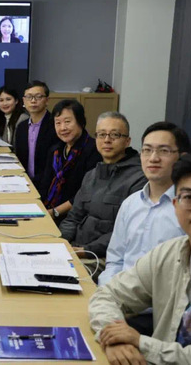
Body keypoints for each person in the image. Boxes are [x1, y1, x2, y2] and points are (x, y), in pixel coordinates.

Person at [89, 153, 191, 365]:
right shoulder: (167, 254)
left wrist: (142, 344)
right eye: (189, 197)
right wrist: (116, 339)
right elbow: (107, 295)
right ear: (176, 205)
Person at [96, 122, 190, 338]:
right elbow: (115, 260)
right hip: (118, 304)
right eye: (147, 150)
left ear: (182, 158)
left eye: (163, 151)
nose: (153, 158)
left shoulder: (190, 210)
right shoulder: (131, 203)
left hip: (159, 316)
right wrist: (110, 298)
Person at [59, 112, 146, 271]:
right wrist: (61, 242)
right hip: (76, 249)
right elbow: (73, 217)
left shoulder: (139, 179)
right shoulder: (91, 175)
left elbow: (125, 232)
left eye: (115, 135)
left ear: (127, 141)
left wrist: (86, 250)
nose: (107, 140)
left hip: (104, 257)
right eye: (101, 134)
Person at [40, 100, 101, 222]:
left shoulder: (94, 150)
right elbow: (45, 184)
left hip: (76, 217)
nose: (63, 128)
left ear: (81, 122)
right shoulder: (55, 150)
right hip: (49, 211)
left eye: (67, 122)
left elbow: (86, 193)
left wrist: (55, 212)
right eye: (58, 123)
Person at [14, 80, 57, 188]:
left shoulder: (55, 125)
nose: (33, 101)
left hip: (48, 186)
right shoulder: (21, 127)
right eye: (29, 97)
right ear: (24, 101)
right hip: (24, 183)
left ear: (47, 100)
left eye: (38, 97)